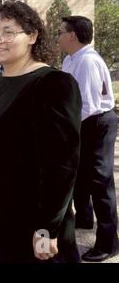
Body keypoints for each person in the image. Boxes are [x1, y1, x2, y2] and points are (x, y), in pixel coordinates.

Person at [0, 0, 82, 263]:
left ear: (32, 36)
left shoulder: (52, 83)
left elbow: (63, 166)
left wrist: (47, 228)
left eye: (9, 32)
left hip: (33, 226)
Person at [59, 15, 119, 262]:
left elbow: (89, 106)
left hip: (97, 122)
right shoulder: (70, 59)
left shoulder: (87, 62)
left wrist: (63, 129)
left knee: (100, 181)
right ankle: (84, 220)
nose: (58, 35)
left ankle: (109, 243)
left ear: (72, 35)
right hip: (83, 121)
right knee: (80, 174)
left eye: (61, 31)